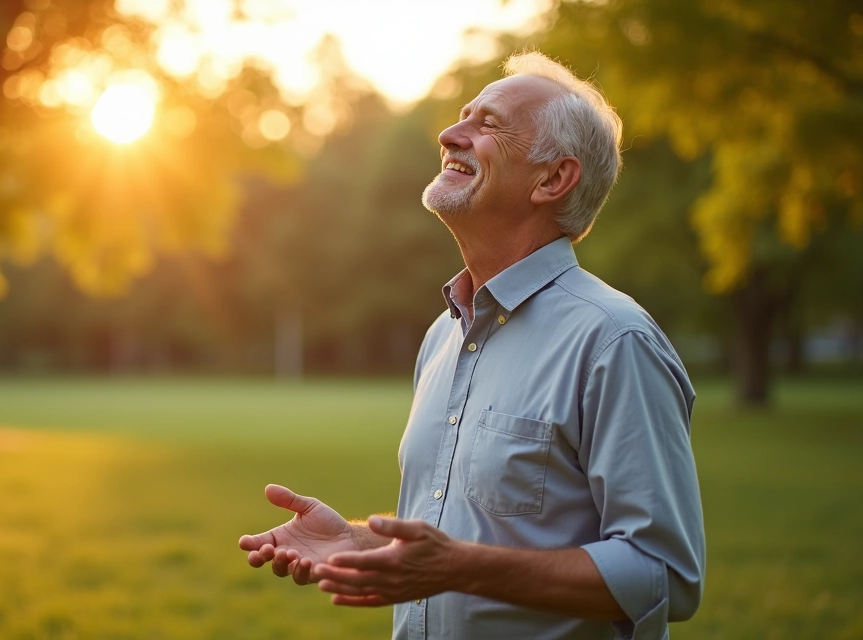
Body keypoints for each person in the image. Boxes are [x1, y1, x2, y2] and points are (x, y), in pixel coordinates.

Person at [238, 51, 705, 640]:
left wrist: (459, 568)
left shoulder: (614, 341)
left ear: (553, 179)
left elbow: (664, 575)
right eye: (463, 116)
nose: (449, 134)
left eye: (488, 125)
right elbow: (468, 531)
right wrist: (358, 540)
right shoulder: (444, 335)